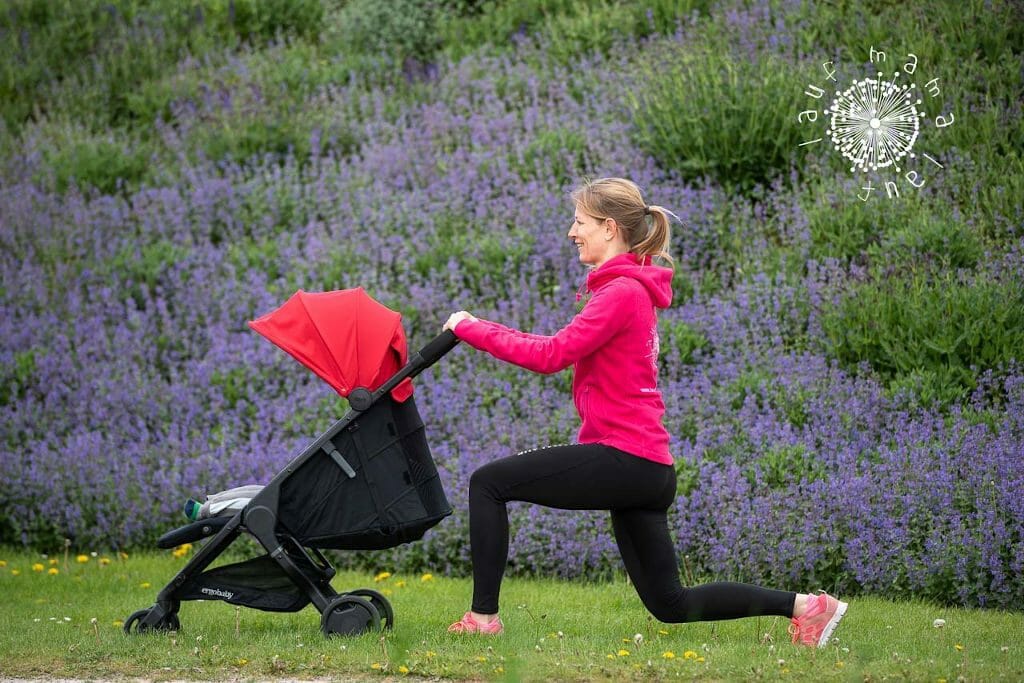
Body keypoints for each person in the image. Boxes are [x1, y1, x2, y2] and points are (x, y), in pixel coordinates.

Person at [441, 177, 847, 647]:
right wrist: (478, 325)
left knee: (488, 482)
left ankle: (482, 619)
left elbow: (550, 355)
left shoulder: (621, 294)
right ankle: (808, 608)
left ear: (609, 228)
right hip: (647, 468)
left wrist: (471, 328)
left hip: (626, 457)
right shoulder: (625, 291)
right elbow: (557, 348)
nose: (573, 232)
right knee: (670, 604)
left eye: (580, 222)